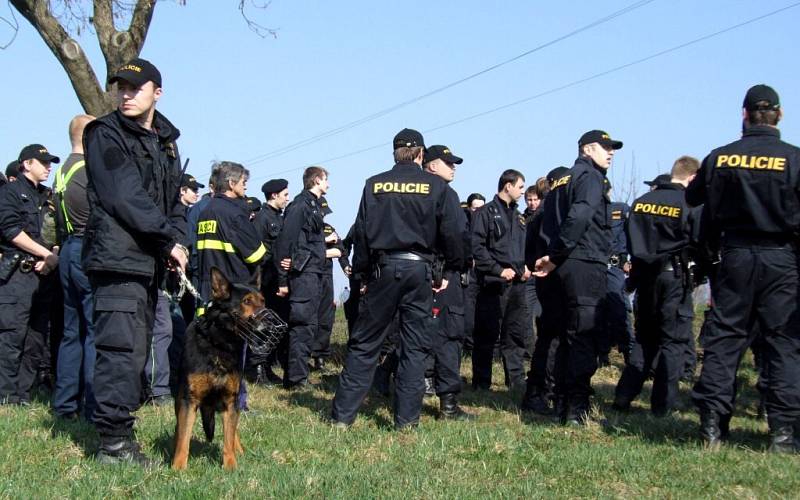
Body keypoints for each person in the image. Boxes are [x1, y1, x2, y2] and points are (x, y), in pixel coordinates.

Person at [82, 58, 187, 465]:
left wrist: (177, 240)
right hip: (117, 259)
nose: (125, 94)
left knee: (138, 350)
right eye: (120, 87)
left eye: (135, 88)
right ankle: (112, 443)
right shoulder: (104, 134)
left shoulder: (166, 141)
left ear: (156, 93)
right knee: (119, 349)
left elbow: (174, 199)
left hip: (148, 262)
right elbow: (124, 197)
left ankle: (120, 427)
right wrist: (166, 240)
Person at [687, 84, 800, 452]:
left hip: (733, 256)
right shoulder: (794, 159)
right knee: (782, 343)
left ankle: (713, 427)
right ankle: (782, 434)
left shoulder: (720, 158)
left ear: (744, 114)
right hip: (782, 259)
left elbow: (693, 197)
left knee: (724, 340)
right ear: (779, 115)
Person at [331, 128, 463, 429]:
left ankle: (342, 417)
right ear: (420, 154)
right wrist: (449, 271)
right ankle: (406, 422)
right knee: (414, 347)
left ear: (394, 153)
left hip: (382, 270)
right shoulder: (438, 187)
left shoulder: (373, 184)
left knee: (365, 343)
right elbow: (453, 234)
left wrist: (362, 273)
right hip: (420, 272)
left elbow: (362, 232)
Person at [534, 129, 622, 424]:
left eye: (612, 148)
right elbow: (581, 215)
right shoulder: (591, 177)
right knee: (583, 337)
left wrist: (552, 257)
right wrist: (558, 254)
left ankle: (561, 405)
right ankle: (577, 410)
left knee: (564, 337)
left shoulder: (561, 180)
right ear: (586, 149)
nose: (610, 152)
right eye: (604, 147)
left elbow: (546, 221)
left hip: (562, 267)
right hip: (583, 262)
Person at [613, 156, 701, 416]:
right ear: (692, 177)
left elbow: (631, 242)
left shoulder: (640, 204)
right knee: (672, 342)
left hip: (644, 279)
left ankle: (624, 395)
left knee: (644, 338)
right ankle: (663, 405)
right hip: (674, 277)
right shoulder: (689, 203)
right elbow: (698, 240)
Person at [0, 144, 60, 406]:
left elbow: (58, 231)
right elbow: (10, 231)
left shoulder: (48, 196)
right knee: (12, 335)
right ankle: (6, 395)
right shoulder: (10, 193)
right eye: (43, 162)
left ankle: (23, 394)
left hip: (45, 274)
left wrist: (52, 256)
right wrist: (45, 254)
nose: (48, 167)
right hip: (18, 273)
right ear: (26, 164)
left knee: (36, 338)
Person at [422, 144, 474, 419]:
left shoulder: (411, 191)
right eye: (447, 163)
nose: (453, 167)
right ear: (431, 165)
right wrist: (452, 269)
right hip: (441, 277)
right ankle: (449, 406)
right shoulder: (445, 193)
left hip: (410, 274)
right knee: (449, 336)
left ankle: (388, 383)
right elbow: (455, 236)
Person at [52, 115, 97, 421]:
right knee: (95, 329)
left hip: (67, 248)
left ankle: (64, 404)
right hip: (86, 247)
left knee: (71, 332)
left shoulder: (62, 171)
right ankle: (94, 406)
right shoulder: (88, 170)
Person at [471, 169, 530, 391]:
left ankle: (515, 381)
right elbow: (477, 247)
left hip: (517, 284)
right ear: (508, 186)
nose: (523, 192)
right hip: (492, 283)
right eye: (521, 186)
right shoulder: (485, 213)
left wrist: (526, 267)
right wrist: (497, 270)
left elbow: (523, 247)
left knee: (515, 333)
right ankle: (481, 382)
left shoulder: (519, 217)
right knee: (486, 334)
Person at [274, 166, 329, 389]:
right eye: (326, 180)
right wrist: (282, 279)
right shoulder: (300, 205)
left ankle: (297, 376)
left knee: (309, 325)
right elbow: (285, 241)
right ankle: (296, 380)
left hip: (313, 272)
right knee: (302, 326)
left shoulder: (313, 206)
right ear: (316, 180)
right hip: (303, 274)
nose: (328, 184)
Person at [521, 166, 570, 415]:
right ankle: (545, 392)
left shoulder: (541, 211)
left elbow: (528, 251)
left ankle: (540, 391)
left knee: (547, 339)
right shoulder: (557, 209)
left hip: (544, 279)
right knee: (554, 340)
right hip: (557, 280)